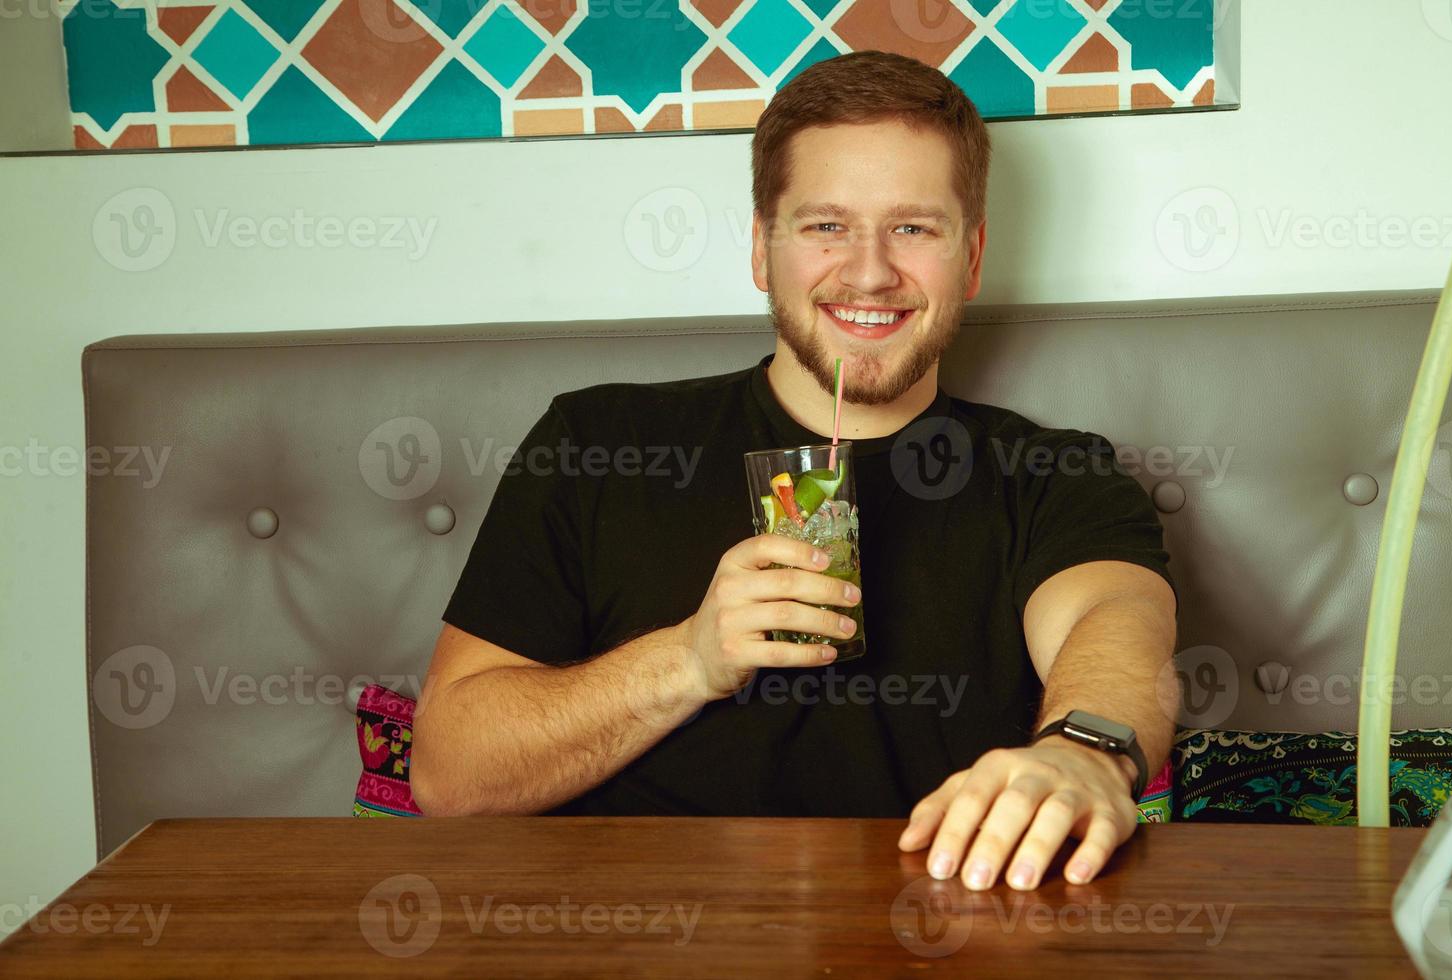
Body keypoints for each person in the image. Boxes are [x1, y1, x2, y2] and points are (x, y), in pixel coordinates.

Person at [411, 50, 1180, 894]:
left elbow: (1115, 621)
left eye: (914, 228)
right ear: (759, 250)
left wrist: (1087, 753)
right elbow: (450, 775)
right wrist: (688, 660)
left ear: (972, 257)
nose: (869, 271)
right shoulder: (594, 441)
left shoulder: (1052, 472)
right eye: (825, 226)